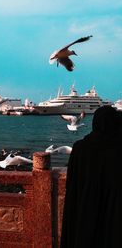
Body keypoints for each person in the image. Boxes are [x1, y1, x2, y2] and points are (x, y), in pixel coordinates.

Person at [60, 106, 122, 248]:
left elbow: (72, 184)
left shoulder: (80, 148)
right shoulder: (119, 147)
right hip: (115, 211)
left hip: (86, 207)